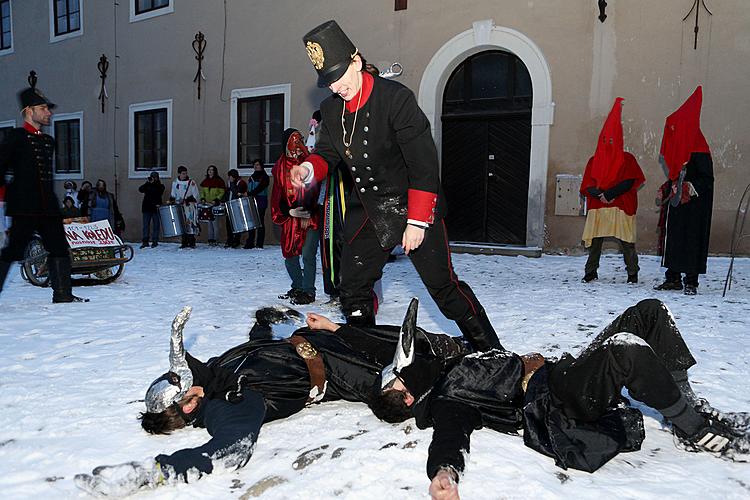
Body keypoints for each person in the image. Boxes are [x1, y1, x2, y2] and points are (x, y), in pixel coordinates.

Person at [74, 304, 468, 497]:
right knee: (395, 378)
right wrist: (154, 472)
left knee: (362, 333)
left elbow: (253, 347)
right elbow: (230, 449)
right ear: (190, 404)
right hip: (336, 374)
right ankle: (439, 367)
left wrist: (266, 324)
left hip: (311, 343)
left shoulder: (214, 372)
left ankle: (436, 350)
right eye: (183, 382)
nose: (188, 373)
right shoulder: (231, 403)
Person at [369, 299, 747, 500]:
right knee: (625, 351)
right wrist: (444, 473)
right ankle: (697, 431)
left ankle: (687, 405)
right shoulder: (446, 399)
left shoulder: (446, 368)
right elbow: (450, 437)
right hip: (555, 401)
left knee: (647, 313)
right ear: (406, 399)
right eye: (399, 380)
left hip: (560, 371)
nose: (410, 368)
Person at [294, 20, 501, 351]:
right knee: (354, 288)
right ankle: (365, 353)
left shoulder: (396, 99)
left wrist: (417, 221)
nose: (335, 88)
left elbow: (423, 163)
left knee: (442, 287)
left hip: (411, 203)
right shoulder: (332, 109)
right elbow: (329, 153)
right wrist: (309, 167)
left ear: (356, 61)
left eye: (340, 77)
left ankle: (489, 348)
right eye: (328, 82)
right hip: (367, 211)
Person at [0, 86, 87, 302]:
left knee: (59, 248)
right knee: (14, 251)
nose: (48, 113)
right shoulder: (16, 137)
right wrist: (5, 197)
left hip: (48, 205)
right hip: (24, 206)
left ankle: (63, 294)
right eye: (43, 108)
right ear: (29, 111)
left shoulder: (48, 141)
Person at [654, 86, 714, 295]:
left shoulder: (700, 149)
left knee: (691, 240)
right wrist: (667, 188)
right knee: (674, 238)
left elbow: (707, 179)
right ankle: (673, 278)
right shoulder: (681, 149)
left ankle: (691, 281)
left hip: (695, 207)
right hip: (678, 203)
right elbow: (674, 175)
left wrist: (688, 186)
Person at [580, 98, 645, 283]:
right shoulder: (594, 160)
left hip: (621, 205)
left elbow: (630, 181)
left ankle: (632, 273)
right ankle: (590, 271)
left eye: (612, 139)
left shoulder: (628, 159)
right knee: (595, 242)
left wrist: (608, 194)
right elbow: (587, 185)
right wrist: (600, 195)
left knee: (626, 243)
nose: (609, 143)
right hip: (599, 206)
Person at [271, 128, 322, 305]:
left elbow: (316, 188)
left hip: (310, 216)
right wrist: (287, 211)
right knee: (290, 255)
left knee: (308, 254)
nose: (299, 141)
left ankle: (309, 290)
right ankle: (298, 285)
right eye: (295, 139)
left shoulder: (308, 163)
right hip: (291, 218)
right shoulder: (279, 167)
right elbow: (278, 194)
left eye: (300, 138)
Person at [170, 166, 200, 249]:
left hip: (189, 205)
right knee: (182, 223)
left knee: (190, 222)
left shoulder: (191, 182)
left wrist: (192, 199)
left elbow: (196, 194)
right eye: (183, 173)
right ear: (179, 174)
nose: (185, 175)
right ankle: (184, 241)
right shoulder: (175, 183)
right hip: (180, 205)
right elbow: (173, 193)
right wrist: (172, 199)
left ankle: (192, 241)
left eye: (186, 173)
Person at [244, 159, 269, 249]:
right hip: (252, 200)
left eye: (258, 164)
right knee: (251, 222)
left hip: (261, 200)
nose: (256, 166)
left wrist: (250, 193)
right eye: (254, 164)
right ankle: (250, 242)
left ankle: (259, 243)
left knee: (260, 221)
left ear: (261, 166)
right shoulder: (252, 176)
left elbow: (261, 187)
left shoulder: (265, 177)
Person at [199, 165, 225, 247]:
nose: (210, 171)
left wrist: (216, 200)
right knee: (209, 223)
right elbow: (202, 191)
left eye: (212, 170)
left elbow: (222, 192)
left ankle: (216, 239)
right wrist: (202, 198)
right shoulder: (205, 181)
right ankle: (210, 239)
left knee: (215, 223)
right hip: (207, 204)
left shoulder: (219, 181)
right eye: (209, 170)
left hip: (215, 205)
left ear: (215, 171)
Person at [138, 171, 165, 248]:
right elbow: (140, 189)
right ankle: (145, 241)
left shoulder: (160, 186)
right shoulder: (147, 185)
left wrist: (154, 183)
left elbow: (159, 191)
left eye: (154, 177)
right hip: (146, 208)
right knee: (145, 225)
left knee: (156, 225)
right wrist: (147, 183)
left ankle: (155, 241)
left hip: (155, 208)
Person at [223, 168, 247, 248]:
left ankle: (236, 240)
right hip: (229, 205)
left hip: (237, 205)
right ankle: (229, 239)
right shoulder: (229, 183)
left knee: (237, 224)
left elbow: (237, 193)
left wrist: (232, 184)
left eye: (230, 177)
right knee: (228, 224)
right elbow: (226, 192)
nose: (229, 178)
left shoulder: (241, 183)